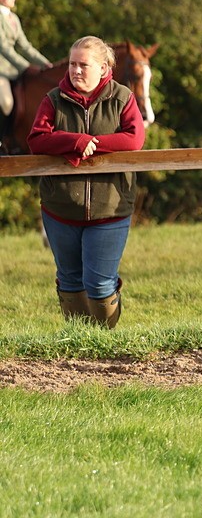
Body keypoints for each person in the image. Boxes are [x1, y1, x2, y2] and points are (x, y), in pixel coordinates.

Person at [27, 36, 145, 327]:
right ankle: (80, 342)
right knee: (69, 280)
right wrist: (75, 142)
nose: (76, 71)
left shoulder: (123, 98)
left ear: (104, 68)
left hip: (111, 209)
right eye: (72, 64)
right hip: (60, 208)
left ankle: (104, 341)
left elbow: (135, 139)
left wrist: (95, 144)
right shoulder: (53, 99)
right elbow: (37, 140)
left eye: (84, 65)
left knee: (100, 283)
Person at [0, 0, 52, 129]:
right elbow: (3, 47)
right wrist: (25, 66)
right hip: (1, 71)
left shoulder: (14, 19)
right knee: (7, 102)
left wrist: (46, 64)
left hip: (14, 71)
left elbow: (25, 47)